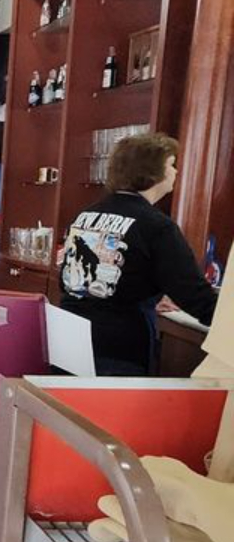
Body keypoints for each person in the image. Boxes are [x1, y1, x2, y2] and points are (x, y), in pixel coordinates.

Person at [59, 133, 218, 376]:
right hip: (117, 351)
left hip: (68, 340)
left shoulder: (86, 215)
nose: (176, 172)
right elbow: (195, 296)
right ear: (153, 172)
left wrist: (150, 292)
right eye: (171, 164)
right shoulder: (156, 226)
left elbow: (74, 278)